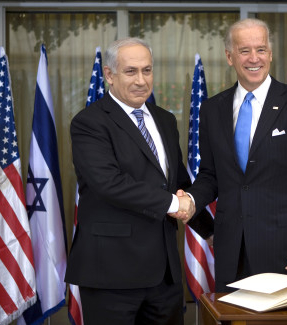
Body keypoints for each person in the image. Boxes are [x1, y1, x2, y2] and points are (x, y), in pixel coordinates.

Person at [182, 18, 287, 292]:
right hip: (231, 251)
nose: (254, 58)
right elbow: (210, 175)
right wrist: (192, 199)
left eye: (261, 49)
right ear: (230, 56)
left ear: (271, 54)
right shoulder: (212, 109)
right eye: (244, 51)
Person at [65, 37, 195, 325]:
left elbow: (178, 182)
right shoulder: (89, 122)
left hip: (164, 277)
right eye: (131, 71)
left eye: (147, 70)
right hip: (111, 274)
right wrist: (175, 204)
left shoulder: (165, 120)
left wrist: (207, 228)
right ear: (109, 75)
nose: (141, 80)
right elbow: (108, 183)